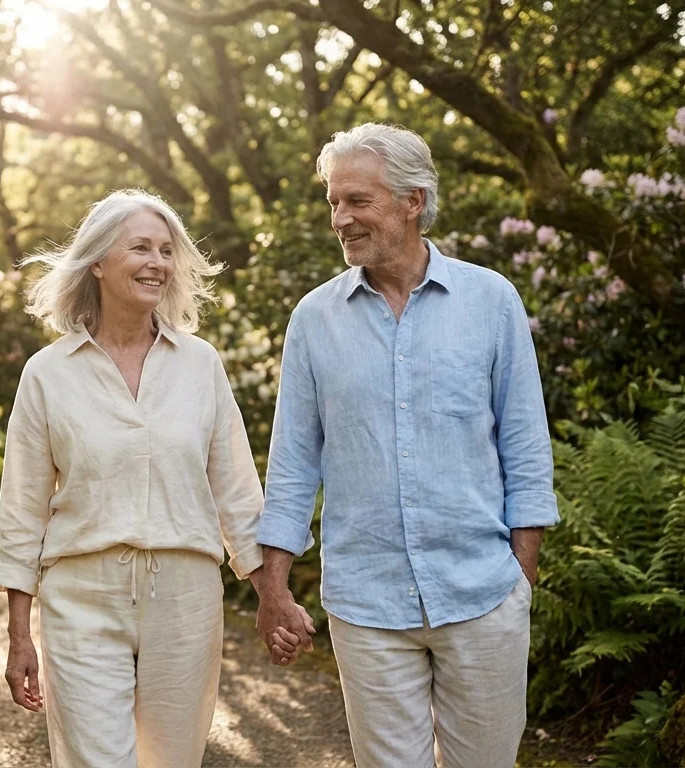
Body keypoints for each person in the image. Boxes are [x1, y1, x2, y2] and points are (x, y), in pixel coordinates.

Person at [253, 124, 559, 767]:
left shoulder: (491, 300)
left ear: (412, 201)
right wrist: (273, 589)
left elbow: (527, 450)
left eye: (358, 201)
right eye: (335, 202)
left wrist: (519, 580)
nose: (341, 218)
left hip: (483, 595)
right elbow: (291, 463)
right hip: (367, 605)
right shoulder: (314, 319)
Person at [0, 189, 306, 767]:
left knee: (172, 762)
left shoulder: (200, 364)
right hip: (82, 597)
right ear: (98, 262)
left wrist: (273, 597)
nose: (157, 262)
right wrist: (18, 635)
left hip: (185, 598)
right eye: (139, 247)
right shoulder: (47, 374)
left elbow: (236, 492)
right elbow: (22, 510)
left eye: (166, 250)